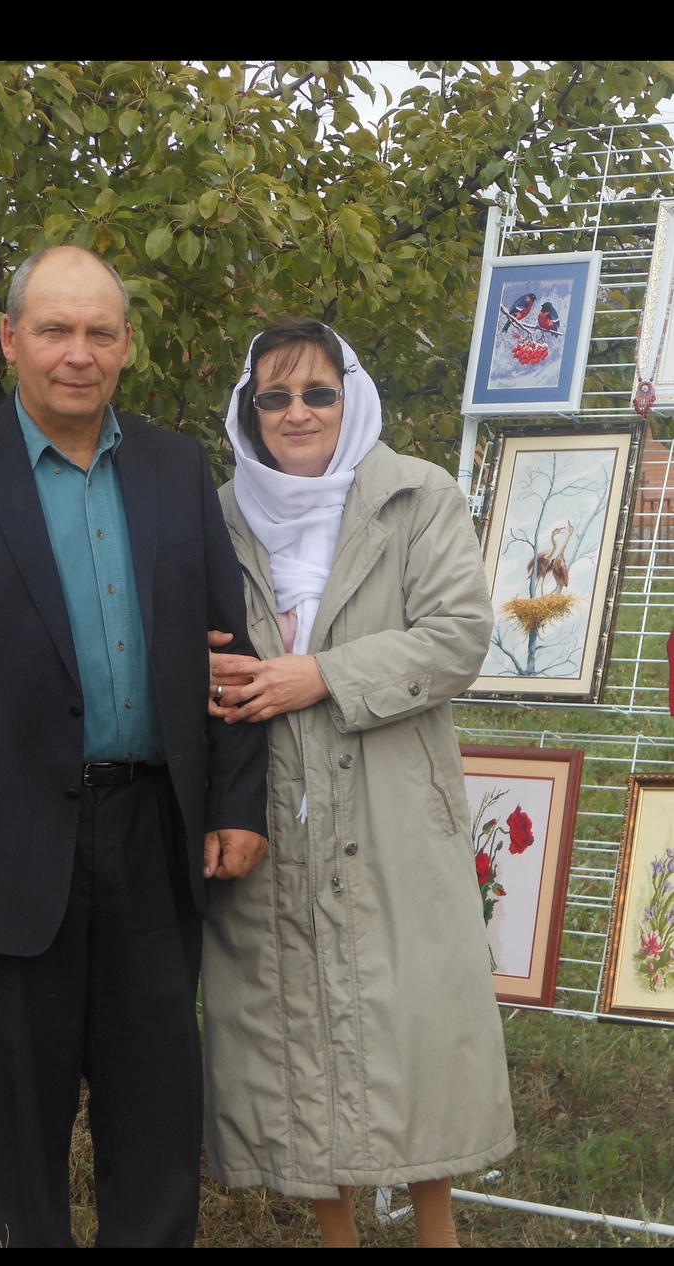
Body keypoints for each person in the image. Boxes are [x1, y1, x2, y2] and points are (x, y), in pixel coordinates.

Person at [0, 245, 269, 1248]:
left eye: (98, 332)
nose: (77, 353)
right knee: (18, 1113)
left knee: (157, 1107)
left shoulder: (175, 470)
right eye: (54, 330)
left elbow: (230, 650)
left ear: (125, 346)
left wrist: (233, 802)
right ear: (11, 340)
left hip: (154, 833)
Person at [201, 319, 515, 1249]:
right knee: (293, 1019)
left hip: (392, 806)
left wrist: (323, 675)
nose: (297, 413)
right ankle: (336, 1235)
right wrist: (196, 671)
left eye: (318, 394)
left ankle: (435, 1234)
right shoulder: (218, 515)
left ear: (353, 398)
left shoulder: (418, 495)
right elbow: (192, 635)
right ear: (250, 413)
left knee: (412, 1020)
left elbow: (457, 637)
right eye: (274, 397)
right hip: (269, 805)